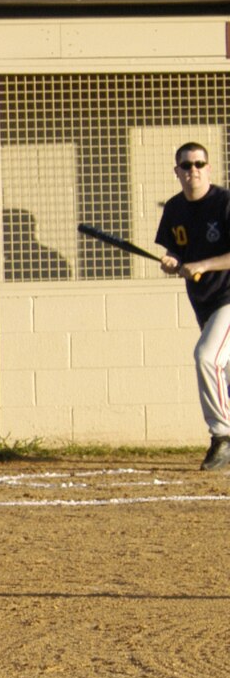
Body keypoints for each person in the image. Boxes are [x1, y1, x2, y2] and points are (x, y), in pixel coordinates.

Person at [151, 142, 230, 470]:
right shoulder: (174, 209)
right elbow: (175, 254)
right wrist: (172, 262)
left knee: (206, 357)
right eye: (186, 166)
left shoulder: (224, 202)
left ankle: (222, 438)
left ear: (209, 168)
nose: (193, 170)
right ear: (177, 171)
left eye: (199, 164)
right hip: (204, 303)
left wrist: (203, 265)